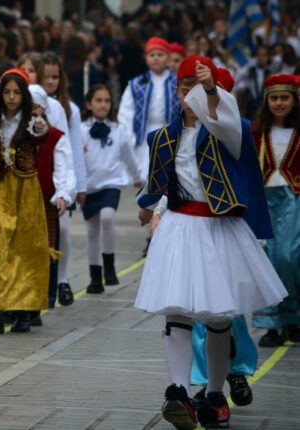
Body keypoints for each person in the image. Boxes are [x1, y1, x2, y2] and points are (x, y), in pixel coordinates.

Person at [135, 55, 287, 430]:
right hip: (179, 227)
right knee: (176, 312)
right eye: (185, 89)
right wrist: (150, 206)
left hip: (218, 229)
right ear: (176, 91)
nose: (191, 98)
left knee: (218, 316)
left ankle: (215, 394)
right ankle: (179, 391)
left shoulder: (229, 132)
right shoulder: (163, 136)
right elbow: (161, 180)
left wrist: (210, 91)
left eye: (199, 90)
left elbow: (225, 120)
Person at [0, 69, 51, 334]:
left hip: (26, 189)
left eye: (17, 92)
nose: (11, 97)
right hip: (0, 188)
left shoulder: (34, 122)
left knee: (27, 248)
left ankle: (24, 312)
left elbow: (46, 141)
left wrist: (40, 126)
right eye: (7, 92)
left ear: (24, 95)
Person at [251, 74, 300, 347]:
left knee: (288, 257)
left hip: (294, 200)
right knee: (266, 261)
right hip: (265, 200)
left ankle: (293, 317)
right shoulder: (257, 131)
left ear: (294, 100)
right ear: (266, 100)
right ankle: (272, 323)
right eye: (274, 98)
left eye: (284, 98)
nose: (279, 103)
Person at [79, 84, 140, 294]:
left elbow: (129, 156)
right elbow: (74, 159)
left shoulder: (118, 130)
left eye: (107, 101)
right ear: (89, 104)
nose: (103, 105)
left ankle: (110, 265)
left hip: (111, 183)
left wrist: (138, 177)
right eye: (98, 100)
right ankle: (95, 277)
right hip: (89, 186)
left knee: (107, 217)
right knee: (92, 230)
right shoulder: (80, 130)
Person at [41, 52, 87, 306]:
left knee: (64, 229)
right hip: (40, 175)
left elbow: (74, 148)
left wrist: (80, 185)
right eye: (46, 77)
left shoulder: (70, 109)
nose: (51, 82)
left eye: (55, 77)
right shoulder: (32, 103)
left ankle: (62, 279)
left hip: (62, 177)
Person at [27, 84, 75, 326]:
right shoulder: (15, 135)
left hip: (45, 201)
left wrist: (62, 193)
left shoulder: (55, 136)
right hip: (20, 201)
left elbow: (64, 167)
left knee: (45, 250)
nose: (33, 112)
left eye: (36, 107)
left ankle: (42, 299)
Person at [118, 37, 180, 184]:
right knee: (147, 176)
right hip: (144, 135)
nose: (156, 58)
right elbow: (126, 112)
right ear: (146, 58)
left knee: (169, 175)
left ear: (168, 58)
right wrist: (129, 137)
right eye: (152, 55)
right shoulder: (136, 84)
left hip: (170, 133)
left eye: (160, 54)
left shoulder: (178, 82)